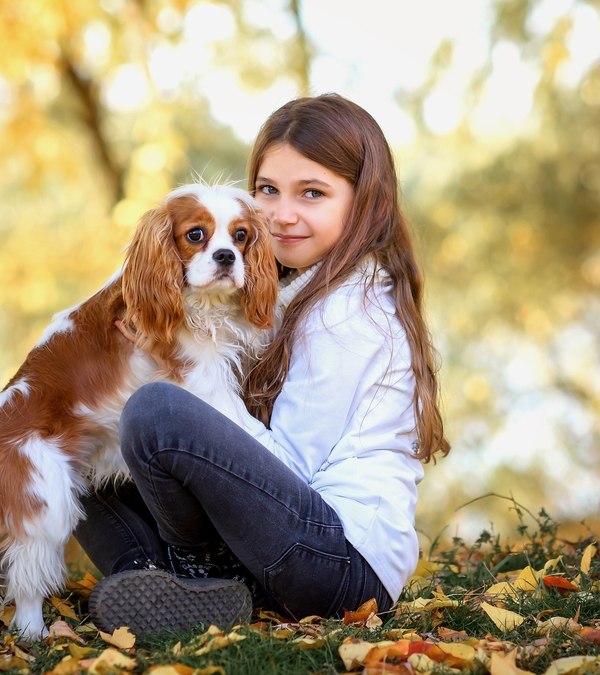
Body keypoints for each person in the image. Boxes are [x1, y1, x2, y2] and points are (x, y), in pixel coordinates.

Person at [73, 93, 450, 632]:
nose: (281, 214)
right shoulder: (297, 290)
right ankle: (154, 582)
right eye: (268, 190)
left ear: (365, 203)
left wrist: (178, 366)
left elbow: (291, 471)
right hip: (298, 545)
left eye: (312, 193)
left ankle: (197, 575)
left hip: (341, 566)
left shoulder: (348, 313)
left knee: (157, 411)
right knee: (84, 430)